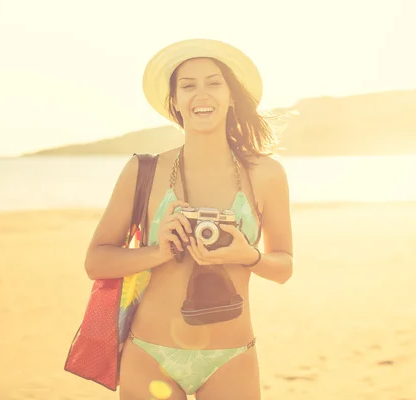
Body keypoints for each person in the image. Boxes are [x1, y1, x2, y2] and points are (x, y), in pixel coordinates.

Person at [83, 38, 294, 400]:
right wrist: (158, 251)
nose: (202, 95)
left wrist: (248, 257)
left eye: (214, 83)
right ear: (175, 101)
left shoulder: (266, 174)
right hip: (150, 354)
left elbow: (284, 267)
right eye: (188, 86)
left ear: (231, 96)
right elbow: (96, 261)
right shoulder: (142, 170)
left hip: (232, 357)